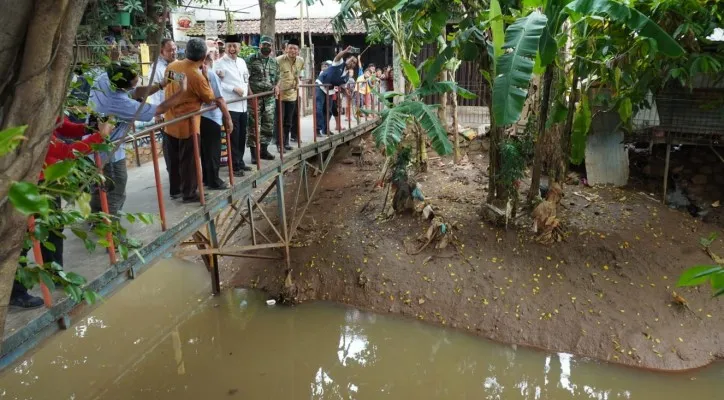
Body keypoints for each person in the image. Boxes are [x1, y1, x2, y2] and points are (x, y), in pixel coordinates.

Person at [10, 119, 112, 309]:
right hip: (30, 185)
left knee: (54, 230)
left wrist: (87, 126)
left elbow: (61, 124)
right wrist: (100, 136)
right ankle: (15, 292)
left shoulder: (48, 108)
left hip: (48, 181)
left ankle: (55, 274)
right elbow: (68, 151)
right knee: (22, 239)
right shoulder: (32, 122)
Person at [88, 61, 185, 245]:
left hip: (90, 149)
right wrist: (181, 91)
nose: (138, 80)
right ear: (124, 85)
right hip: (110, 154)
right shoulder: (119, 103)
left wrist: (162, 84)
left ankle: (96, 219)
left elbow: (134, 92)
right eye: (135, 80)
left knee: (98, 187)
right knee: (116, 193)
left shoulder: (104, 79)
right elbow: (159, 109)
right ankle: (113, 238)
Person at [163, 38, 232, 203]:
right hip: (188, 124)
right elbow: (209, 98)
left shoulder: (172, 66)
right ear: (203, 57)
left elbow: (169, 83)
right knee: (190, 161)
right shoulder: (197, 76)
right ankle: (189, 193)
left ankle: (176, 189)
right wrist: (206, 77)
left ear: (186, 52)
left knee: (173, 159)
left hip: (170, 120)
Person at [214, 34, 252, 177]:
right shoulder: (219, 63)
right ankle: (234, 166)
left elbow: (245, 79)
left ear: (239, 47)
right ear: (225, 47)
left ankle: (240, 161)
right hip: (230, 106)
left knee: (242, 135)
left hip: (243, 105)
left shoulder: (242, 62)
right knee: (233, 137)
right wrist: (232, 88)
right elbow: (216, 83)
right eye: (229, 46)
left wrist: (247, 93)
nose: (232, 49)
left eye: (235, 46)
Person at [200, 51, 233, 190]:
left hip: (201, 116)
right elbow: (219, 99)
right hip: (211, 117)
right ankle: (214, 180)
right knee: (213, 151)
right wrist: (228, 118)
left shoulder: (196, 72)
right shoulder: (210, 74)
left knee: (206, 150)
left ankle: (207, 178)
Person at [146, 38, 177, 176]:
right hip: (165, 114)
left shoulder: (177, 65)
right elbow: (154, 94)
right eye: (170, 50)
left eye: (175, 49)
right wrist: (157, 115)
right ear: (162, 51)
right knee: (170, 146)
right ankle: (173, 174)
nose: (173, 52)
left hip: (178, 112)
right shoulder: (156, 69)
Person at [246, 35, 279, 163]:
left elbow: (278, 77)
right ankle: (254, 154)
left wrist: (277, 86)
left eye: (269, 45)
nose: (266, 47)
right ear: (259, 45)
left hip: (270, 98)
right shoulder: (250, 59)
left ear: (272, 47)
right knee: (253, 125)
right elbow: (245, 78)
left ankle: (264, 151)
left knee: (268, 124)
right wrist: (250, 94)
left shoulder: (274, 62)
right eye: (264, 44)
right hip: (255, 97)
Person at [315, 46, 358, 136]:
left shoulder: (346, 76)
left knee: (328, 111)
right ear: (347, 59)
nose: (352, 63)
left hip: (330, 91)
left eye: (354, 63)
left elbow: (342, 87)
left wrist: (348, 95)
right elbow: (338, 56)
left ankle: (325, 130)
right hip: (321, 85)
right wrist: (345, 51)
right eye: (351, 60)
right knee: (319, 108)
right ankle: (317, 129)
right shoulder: (339, 63)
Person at [276, 38, 304, 151]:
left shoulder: (300, 60)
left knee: (289, 120)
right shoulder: (278, 60)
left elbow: (298, 73)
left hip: (292, 94)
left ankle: (286, 142)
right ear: (286, 49)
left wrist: (298, 82)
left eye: (295, 48)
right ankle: (280, 144)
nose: (292, 50)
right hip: (280, 95)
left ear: (298, 51)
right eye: (290, 48)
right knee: (280, 120)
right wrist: (276, 86)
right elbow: (274, 76)